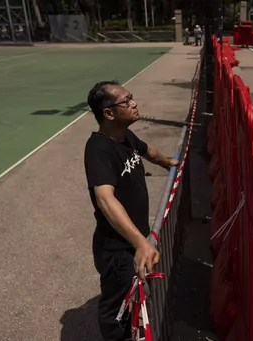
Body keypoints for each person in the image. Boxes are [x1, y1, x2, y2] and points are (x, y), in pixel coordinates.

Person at [84, 81, 179, 341]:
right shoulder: (99, 149)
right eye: (126, 101)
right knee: (116, 309)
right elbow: (104, 199)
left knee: (134, 298)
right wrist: (139, 242)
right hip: (117, 247)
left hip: (134, 240)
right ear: (109, 114)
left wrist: (170, 162)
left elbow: (149, 152)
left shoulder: (126, 136)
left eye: (132, 98)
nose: (134, 103)